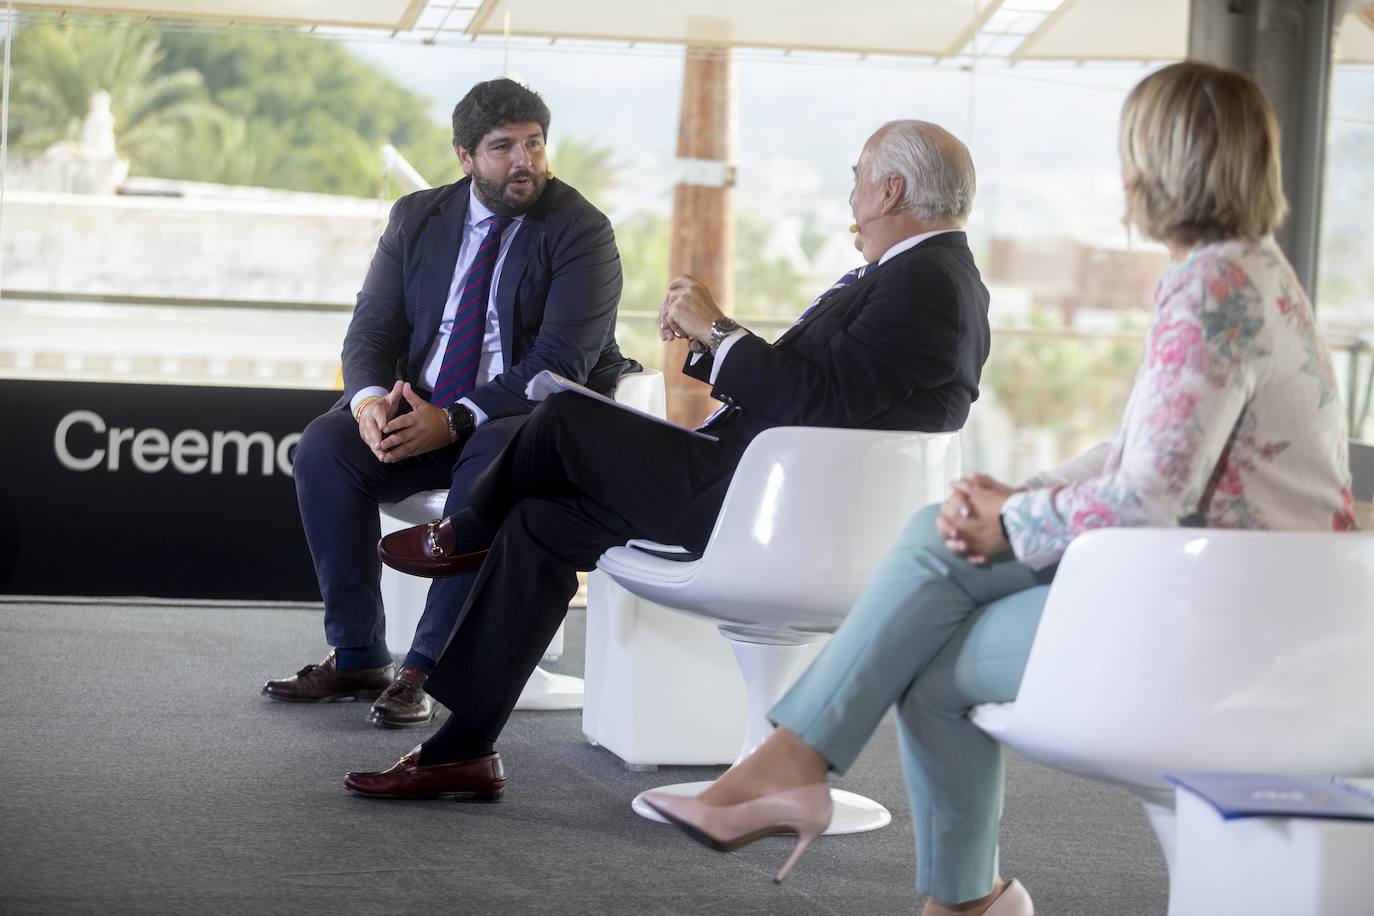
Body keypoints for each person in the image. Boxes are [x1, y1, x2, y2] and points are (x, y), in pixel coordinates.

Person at [643, 61, 1358, 916]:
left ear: (1157, 162)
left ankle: (806, 780)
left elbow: (1147, 502)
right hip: (1245, 597)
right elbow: (1144, 451)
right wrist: (1028, 492)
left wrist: (1012, 520)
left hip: (1222, 621)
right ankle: (944, 888)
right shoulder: (1253, 271)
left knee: (929, 622)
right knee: (932, 610)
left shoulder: (1212, 286)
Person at [342, 119, 993, 800]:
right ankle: (460, 751)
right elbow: (827, 391)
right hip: (761, 490)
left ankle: (465, 533)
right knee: (539, 523)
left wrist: (718, 327)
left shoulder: (929, 282)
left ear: (891, 190)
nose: (851, 189)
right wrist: (712, 339)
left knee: (562, 417)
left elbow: (818, 402)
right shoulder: (918, 277)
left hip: (775, 513)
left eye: (860, 174)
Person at [263, 78, 632, 728]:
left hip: (523, 423)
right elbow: (372, 327)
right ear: (463, 156)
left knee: (491, 453)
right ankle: (357, 653)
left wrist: (456, 419)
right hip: (423, 407)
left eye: (534, 143)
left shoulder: (580, 231)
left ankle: (424, 667)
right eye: (502, 148)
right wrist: (371, 402)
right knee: (326, 446)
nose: (524, 161)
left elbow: (559, 365)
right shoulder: (417, 217)